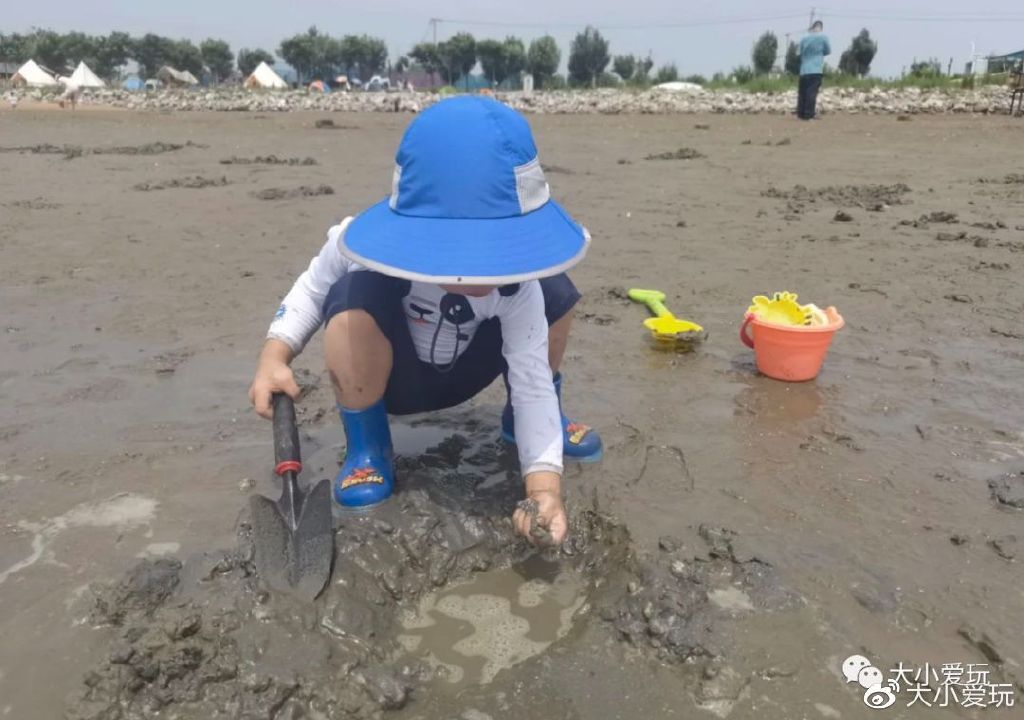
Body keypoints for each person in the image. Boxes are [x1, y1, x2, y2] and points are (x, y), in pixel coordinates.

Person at [248, 96, 603, 547]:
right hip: (392, 379)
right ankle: (368, 450)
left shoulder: (519, 286)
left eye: (496, 250)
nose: (481, 269)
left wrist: (544, 491)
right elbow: (311, 290)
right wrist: (274, 356)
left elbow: (532, 382)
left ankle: (523, 426)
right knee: (352, 297)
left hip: (469, 371)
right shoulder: (359, 245)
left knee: (555, 291)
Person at [797, 20, 831, 120]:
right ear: (821, 27)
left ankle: (801, 114)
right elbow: (828, 51)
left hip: (804, 69)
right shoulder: (823, 37)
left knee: (802, 92)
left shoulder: (804, 37)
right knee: (811, 92)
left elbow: (799, 52)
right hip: (816, 69)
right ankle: (809, 114)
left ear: (812, 27)